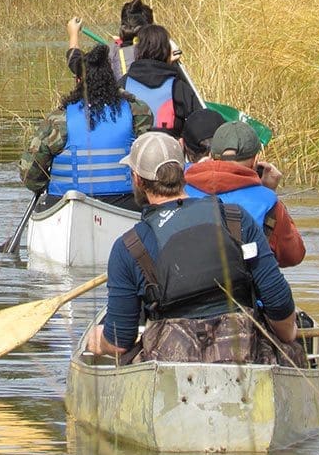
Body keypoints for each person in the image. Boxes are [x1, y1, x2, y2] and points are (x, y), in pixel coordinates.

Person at [86, 132, 305, 366]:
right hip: (244, 358)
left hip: (171, 369)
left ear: (138, 180)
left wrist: (98, 341)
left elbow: (120, 341)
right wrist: (288, 335)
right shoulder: (235, 219)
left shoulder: (129, 246)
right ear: (183, 173)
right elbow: (277, 300)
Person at [21, 17, 153, 210]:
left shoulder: (59, 118)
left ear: (79, 81)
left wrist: (43, 187)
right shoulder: (138, 111)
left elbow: (29, 172)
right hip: (125, 202)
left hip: (66, 202)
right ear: (111, 78)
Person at [184, 120, 306, 268]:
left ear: (210, 156)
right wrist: (269, 191)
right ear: (256, 160)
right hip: (241, 285)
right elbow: (292, 255)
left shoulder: (180, 189)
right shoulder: (267, 201)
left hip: (186, 280)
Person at [120, 23, 200, 138]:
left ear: (138, 51)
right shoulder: (178, 87)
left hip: (134, 152)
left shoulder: (124, 83)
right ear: (166, 51)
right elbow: (198, 122)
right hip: (171, 151)